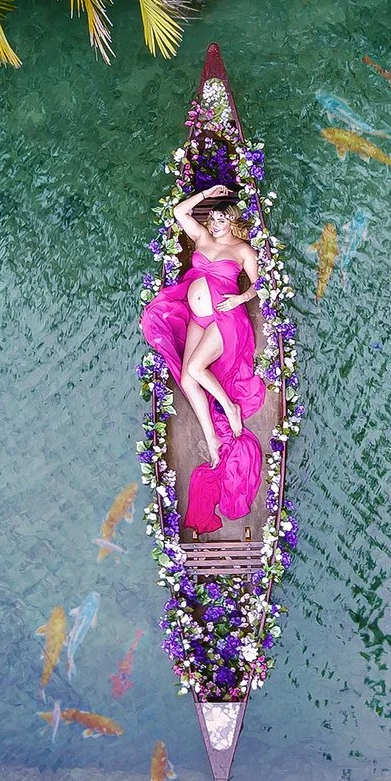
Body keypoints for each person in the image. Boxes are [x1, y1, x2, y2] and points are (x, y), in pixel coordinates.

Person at [139, 185, 267, 531]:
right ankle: (212, 440)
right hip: (199, 318)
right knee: (184, 378)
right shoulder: (202, 238)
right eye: (212, 218)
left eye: (222, 217)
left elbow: (260, 285)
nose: (215, 222)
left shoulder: (242, 250)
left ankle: (229, 406)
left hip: (225, 320)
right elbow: (180, 213)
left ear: (233, 221)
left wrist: (240, 299)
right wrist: (206, 194)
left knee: (195, 367)